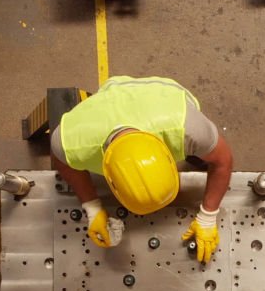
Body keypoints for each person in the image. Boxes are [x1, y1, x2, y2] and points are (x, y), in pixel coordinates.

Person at [50, 76, 234, 264]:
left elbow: (223, 161)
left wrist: (208, 217)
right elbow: (64, 164)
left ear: (170, 158)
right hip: (110, 96)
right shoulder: (70, 143)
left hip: (165, 93)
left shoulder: (188, 129)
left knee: (204, 155)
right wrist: (92, 207)